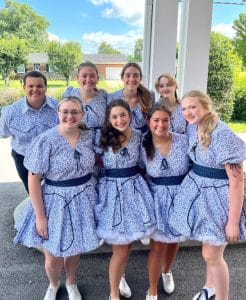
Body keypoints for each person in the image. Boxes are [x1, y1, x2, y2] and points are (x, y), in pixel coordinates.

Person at [14, 96, 100, 300]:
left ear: (82, 114)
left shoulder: (89, 137)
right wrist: (40, 216)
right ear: (58, 114)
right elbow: (33, 179)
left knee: (74, 248)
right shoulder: (46, 140)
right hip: (55, 202)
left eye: (75, 112)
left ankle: (71, 282)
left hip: (83, 200)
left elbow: (98, 162)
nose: (70, 116)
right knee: (52, 256)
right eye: (65, 111)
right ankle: (53, 285)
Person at [168, 90, 246, 300]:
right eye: (184, 108)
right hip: (200, 196)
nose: (188, 112)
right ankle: (209, 287)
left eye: (192, 107)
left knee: (212, 255)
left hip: (218, 200)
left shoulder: (222, 134)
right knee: (210, 251)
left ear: (206, 106)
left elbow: (238, 180)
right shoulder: (195, 128)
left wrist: (233, 222)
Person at [95, 99, 156, 300]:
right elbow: (95, 165)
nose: (119, 120)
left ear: (130, 115)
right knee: (119, 249)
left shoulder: (139, 135)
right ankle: (113, 294)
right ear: (108, 119)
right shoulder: (101, 137)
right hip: (112, 193)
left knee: (127, 244)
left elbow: (145, 161)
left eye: (123, 115)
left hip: (135, 191)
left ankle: (120, 276)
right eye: (114, 116)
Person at [140, 104, 190, 300]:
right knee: (158, 245)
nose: (161, 124)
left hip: (180, 196)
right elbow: (140, 171)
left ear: (171, 121)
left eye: (165, 120)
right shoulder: (143, 144)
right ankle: (152, 289)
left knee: (173, 240)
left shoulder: (183, 141)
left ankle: (166, 271)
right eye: (156, 120)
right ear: (149, 122)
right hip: (156, 197)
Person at [0, 71, 59, 192]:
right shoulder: (11, 112)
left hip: (53, 158)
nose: (35, 89)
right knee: (34, 194)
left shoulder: (59, 108)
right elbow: (3, 133)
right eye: (30, 86)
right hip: (24, 159)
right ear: (24, 88)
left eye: (39, 86)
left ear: (45, 88)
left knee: (54, 191)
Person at [107, 62, 154, 134]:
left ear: (140, 78)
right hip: (120, 137)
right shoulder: (111, 97)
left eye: (136, 75)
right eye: (128, 75)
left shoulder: (149, 95)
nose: (132, 79)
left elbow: (153, 119)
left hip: (144, 138)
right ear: (122, 78)